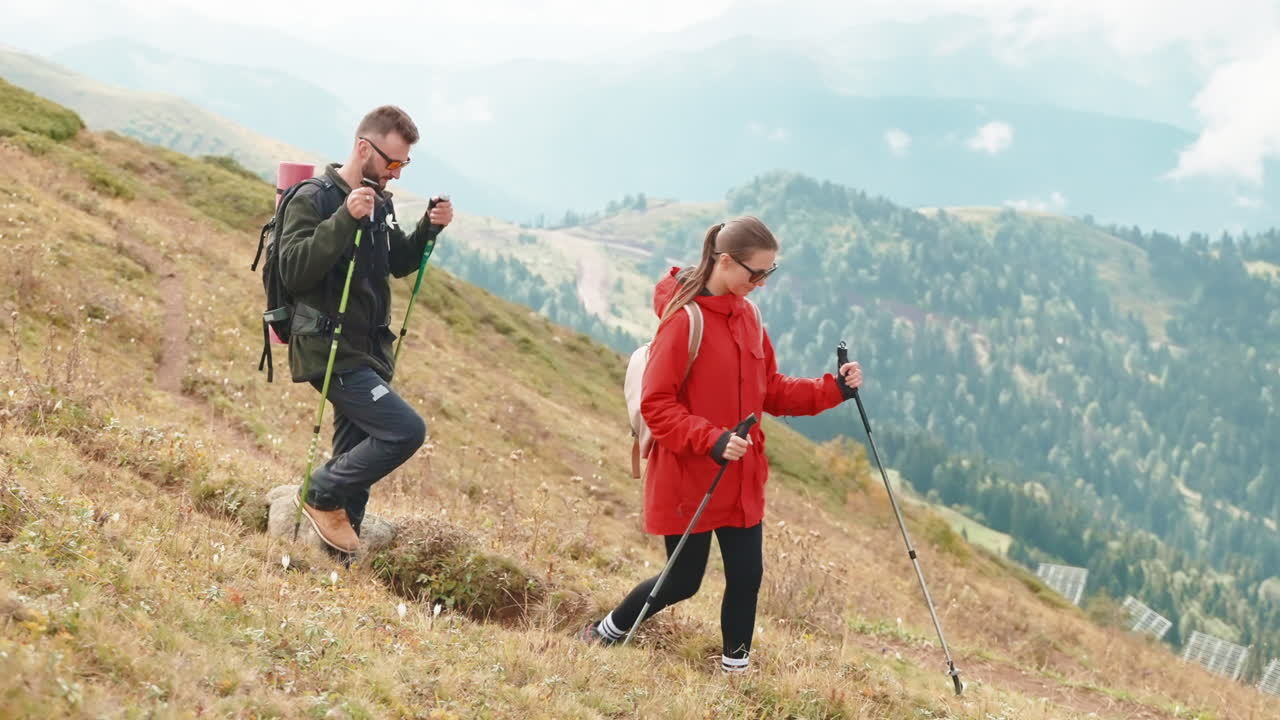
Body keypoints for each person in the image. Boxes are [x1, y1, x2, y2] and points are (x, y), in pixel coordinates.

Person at [580, 216, 863, 673]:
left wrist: (834, 389)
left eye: (769, 273)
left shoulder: (748, 315)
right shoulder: (684, 320)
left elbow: (769, 388)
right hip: (691, 476)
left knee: (747, 577)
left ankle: (736, 671)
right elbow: (657, 405)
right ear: (726, 262)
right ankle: (605, 632)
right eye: (756, 273)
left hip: (741, 476)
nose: (761, 284)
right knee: (682, 581)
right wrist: (712, 440)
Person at [278, 105, 453, 553]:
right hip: (329, 349)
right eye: (391, 162)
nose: (396, 173)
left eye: (403, 164)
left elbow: (395, 263)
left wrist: (427, 230)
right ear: (362, 148)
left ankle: (337, 561)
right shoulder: (313, 197)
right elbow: (294, 270)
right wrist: (344, 219)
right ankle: (317, 492)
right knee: (404, 431)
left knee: (356, 455)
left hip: (369, 350)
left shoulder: (379, 201)